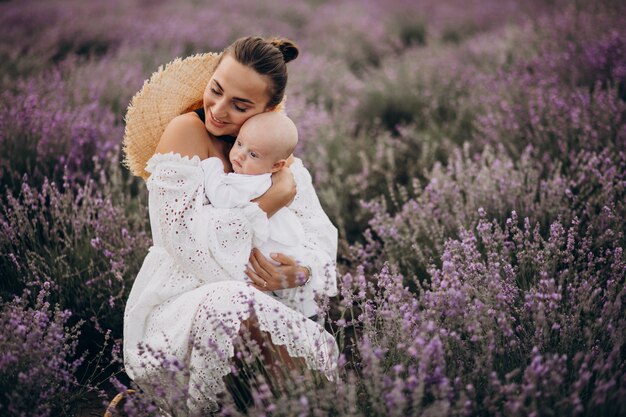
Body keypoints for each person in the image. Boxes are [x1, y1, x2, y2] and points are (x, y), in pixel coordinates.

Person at [122, 37, 339, 414]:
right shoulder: (185, 132)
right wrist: (269, 202)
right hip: (182, 305)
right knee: (230, 301)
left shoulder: (277, 159)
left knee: (300, 354)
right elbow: (184, 244)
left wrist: (299, 273)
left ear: (267, 110)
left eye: (240, 106)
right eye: (216, 90)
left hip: (266, 307)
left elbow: (321, 243)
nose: (219, 111)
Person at [201, 111, 318, 318]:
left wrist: (212, 166)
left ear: (277, 165)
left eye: (253, 154)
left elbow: (223, 198)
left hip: (274, 266)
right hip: (281, 265)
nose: (240, 155)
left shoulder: (252, 182)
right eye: (239, 144)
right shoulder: (265, 178)